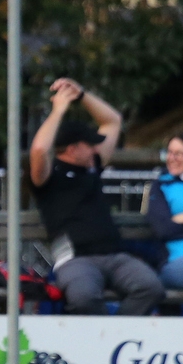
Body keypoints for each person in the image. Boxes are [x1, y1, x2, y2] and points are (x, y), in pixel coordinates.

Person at [29, 77, 165, 315]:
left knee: (150, 287)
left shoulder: (92, 166)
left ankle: (117, 335)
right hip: (75, 260)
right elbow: (40, 149)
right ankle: (98, 344)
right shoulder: (48, 176)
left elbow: (113, 121)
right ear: (72, 149)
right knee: (83, 297)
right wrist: (59, 110)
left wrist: (81, 94)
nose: (96, 149)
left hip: (114, 255)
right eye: (89, 144)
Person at [146, 133, 183, 291]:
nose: (172, 158)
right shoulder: (160, 186)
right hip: (176, 263)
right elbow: (163, 229)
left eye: (179, 154)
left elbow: (173, 228)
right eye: (169, 153)